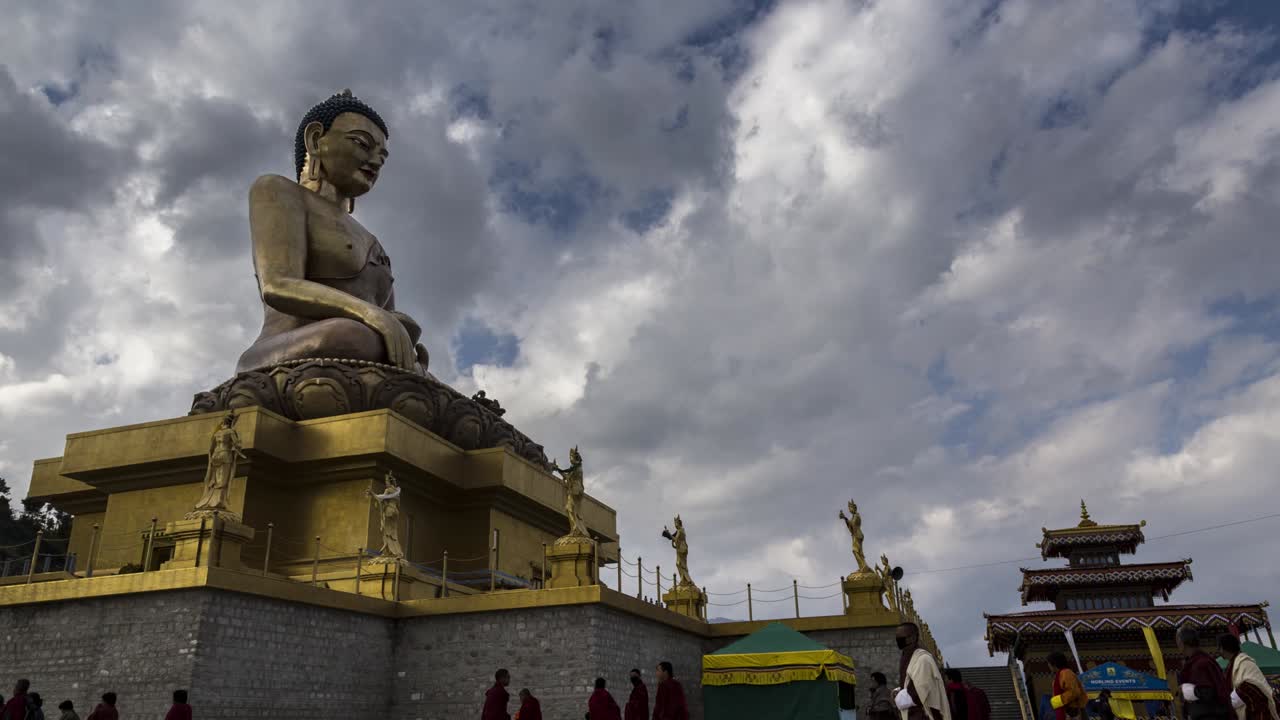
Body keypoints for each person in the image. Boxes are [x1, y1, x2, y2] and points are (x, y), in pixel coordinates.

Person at [895, 622, 950, 720]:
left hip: (922, 713)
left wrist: (899, 697)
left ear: (914, 637)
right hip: (910, 713)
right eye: (897, 637)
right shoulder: (906, 655)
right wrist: (899, 692)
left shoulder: (923, 659)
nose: (899, 640)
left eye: (903, 637)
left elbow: (919, 691)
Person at [1219, 634, 1279, 720]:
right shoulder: (1232, 665)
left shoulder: (1246, 663)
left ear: (1225, 648)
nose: (1219, 651)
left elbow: (1251, 686)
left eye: (1220, 648)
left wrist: (1230, 700)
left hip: (1259, 713)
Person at [1177, 627, 1231, 720]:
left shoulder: (1201, 664)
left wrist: (1187, 690)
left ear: (1182, 643)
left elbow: (1208, 692)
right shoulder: (1197, 661)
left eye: (1177, 640)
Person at [1047, 652, 1085, 720]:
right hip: (1065, 711)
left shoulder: (1066, 673)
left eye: (1049, 663)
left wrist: (1059, 700)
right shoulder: (1059, 676)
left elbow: (1074, 692)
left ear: (1054, 664)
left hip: (1072, 712)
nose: (1048, 666)